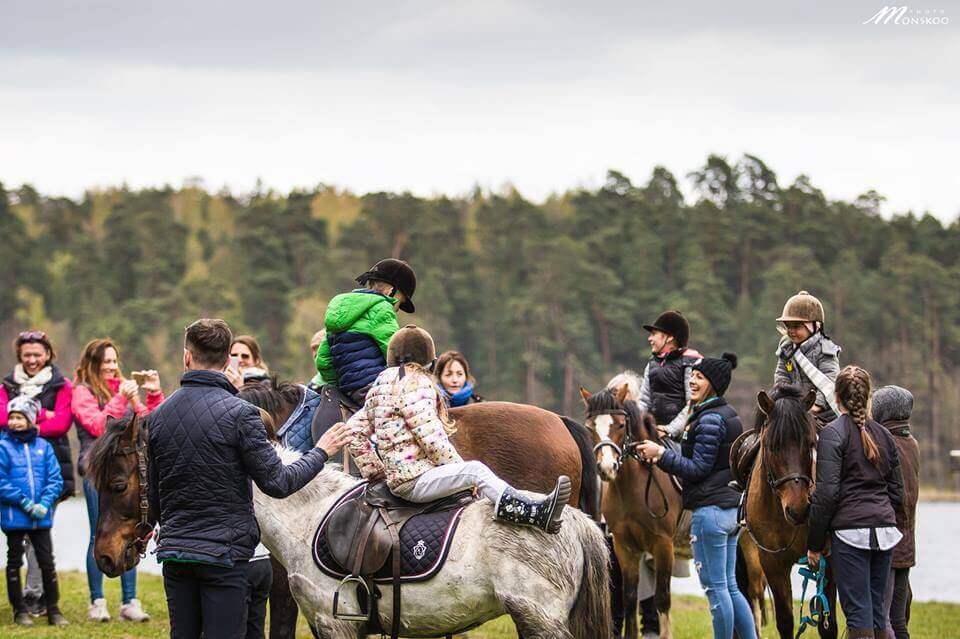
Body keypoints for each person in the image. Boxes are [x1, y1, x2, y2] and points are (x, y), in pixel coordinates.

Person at [149, 318, 352, 639]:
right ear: (227, 361)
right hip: (225, 557)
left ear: (186, 357)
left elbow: (154, 494)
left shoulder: (159, 416)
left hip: (176, 554)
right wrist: (321, 452)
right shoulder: (241, 414)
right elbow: (278, 483)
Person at [346, 325, 571, 533]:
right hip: (416, 480)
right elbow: (431, 439)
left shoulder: (380, 386)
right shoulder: (417, 383)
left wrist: (376, 473)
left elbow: (353, 431)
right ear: (429, 361)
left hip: (398, 481)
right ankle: (529, 512)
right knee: (475, 471)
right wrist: (458, 470)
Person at [636, 353, 755, 639]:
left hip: (710, 514)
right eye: (692, 375)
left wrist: (660, 454)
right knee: (730, 586)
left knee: (716, 589)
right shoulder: (725, 414)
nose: (692, 380)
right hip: (729, 512)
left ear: (713, 384)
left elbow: (698, 468)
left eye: (699, 377)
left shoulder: (709, 419)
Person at [807, 366, 904, 639]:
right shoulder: (884, 435)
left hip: (850, 536)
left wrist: (814, 544)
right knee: (878, 615)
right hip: (885, 532)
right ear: (869, 396)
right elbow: (898, 493)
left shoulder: (832, 434)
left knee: (859, 614)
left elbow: (827, 495)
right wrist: (882, 516)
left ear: (836, 398)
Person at [73, 338, 164, 622]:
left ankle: (129, 601)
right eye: (106, 362)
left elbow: (149, 424)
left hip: (126, 471)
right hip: (98, 474)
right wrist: (122, 398)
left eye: (115, 361)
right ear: (93, 364)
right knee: (99, 532)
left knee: (130, 530)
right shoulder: (82, 391)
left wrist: (151, 394)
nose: (113, 367)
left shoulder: (124, 388)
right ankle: (97, 601)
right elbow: (97, 425)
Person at [634, 310, 701, 637]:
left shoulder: (690, 364)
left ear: (670, 338)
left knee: (682, 473)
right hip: (650, 432)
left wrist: (669, 430)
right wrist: (638, 426)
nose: (650, 338)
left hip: (677, 436)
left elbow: (691, 404)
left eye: (655, 333)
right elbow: (643, 400)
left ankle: (684, 526)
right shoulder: (652, 364)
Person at [0, 331, 74, 617]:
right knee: (19, 537)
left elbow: (63, 423)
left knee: (39, 533)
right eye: (26, 354)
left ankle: (35, 595)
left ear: (48, 355)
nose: (32, 359)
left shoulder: (61, 385)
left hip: (48, 466)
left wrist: (27, 415)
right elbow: (2, 419)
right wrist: (45, 414)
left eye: (37, 354)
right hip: (13, 470)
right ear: (20, 355)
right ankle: (28, 596)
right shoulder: (7, 383)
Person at [0, 396, 67, 626]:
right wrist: (23, 502)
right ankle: (20, 610)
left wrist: (44, 504)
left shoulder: (44, 447)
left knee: (46, 562)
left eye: (20, 417)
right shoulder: (3, 447)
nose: (15, 422)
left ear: (30, 419)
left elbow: (55, 479)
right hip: (15, 517)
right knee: (14, 562)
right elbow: (1, 481)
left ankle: (53, 609)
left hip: (40, 518)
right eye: (12, 417)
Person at [315, 258, 416, 405]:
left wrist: (342, 384)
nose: (396, 309)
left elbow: (323, 361)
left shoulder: (339, 311)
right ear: (391, 291)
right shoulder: (383, 308)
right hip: (373, 387)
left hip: (347, 390)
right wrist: (409, 380)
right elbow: (395, 353)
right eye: (399, 303)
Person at [872, 385, 919, 639]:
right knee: (898, 621)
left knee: (883, 620)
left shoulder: (887, 446)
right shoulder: (911, 443)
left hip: (888, 545)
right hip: (907, 545)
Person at [774, 291, 842, 425]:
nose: (791, 331)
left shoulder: (825, 349)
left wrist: (816, 405)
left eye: (796, 326)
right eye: (788, 326)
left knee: (830, 438)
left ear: (814, 326)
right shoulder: (786, 349)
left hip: (823, 415)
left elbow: (830, 380)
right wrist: (785, 400)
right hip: (793, 410)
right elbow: (781, 376)